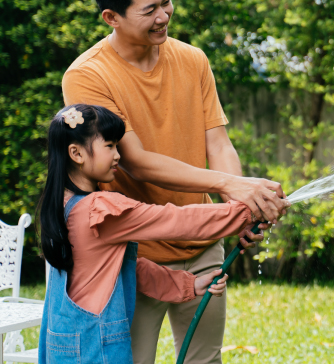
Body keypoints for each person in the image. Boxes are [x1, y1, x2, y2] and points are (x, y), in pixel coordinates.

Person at [61, 0, 290, 364]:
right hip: (134, 256)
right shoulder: (88, 75)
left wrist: (237, 207)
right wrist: (227, 185)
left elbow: (218, 144)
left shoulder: (192, 60)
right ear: (111, 17)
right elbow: (136, 160)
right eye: (149, 10)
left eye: (166, 1)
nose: (164, 16)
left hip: (203, 245)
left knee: (205, 360)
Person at [37, 104, 257, 364]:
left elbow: (127, 269)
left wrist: (188, 284)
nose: (118, 155)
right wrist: (245, 210)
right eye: (109, 146)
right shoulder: (101, 211)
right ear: (76, 153)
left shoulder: (63, 204)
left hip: (62, 346)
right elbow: (175, 221)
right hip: (98, 350)